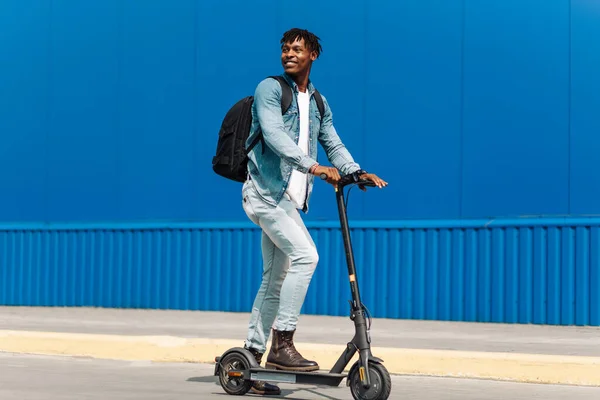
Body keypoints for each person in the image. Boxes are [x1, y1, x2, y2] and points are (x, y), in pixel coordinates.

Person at [240, 28, 387, 395]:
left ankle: (251, 356)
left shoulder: (318, 101)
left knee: (275, 277)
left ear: (313, 55)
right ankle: (283, 344)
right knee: (307, 256)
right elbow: (274, 135)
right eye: (285, 49)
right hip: (264, 194)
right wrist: (313, 167)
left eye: (297, 49)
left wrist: (355, 171)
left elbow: (332, 141)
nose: (289, 53)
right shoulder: (270, 90)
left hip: (287, 201)